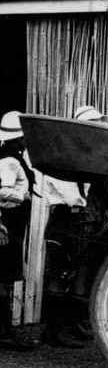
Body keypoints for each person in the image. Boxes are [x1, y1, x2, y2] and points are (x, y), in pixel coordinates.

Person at [0, 111, 36, 351]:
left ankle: (5, 330)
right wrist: (23, 196)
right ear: (17, 138)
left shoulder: (12, 157)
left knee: (5, 276)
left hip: (12, 222)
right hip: (7, 223)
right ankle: (4, 332)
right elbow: (2, 191)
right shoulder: (9, 160)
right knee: (3, 276)